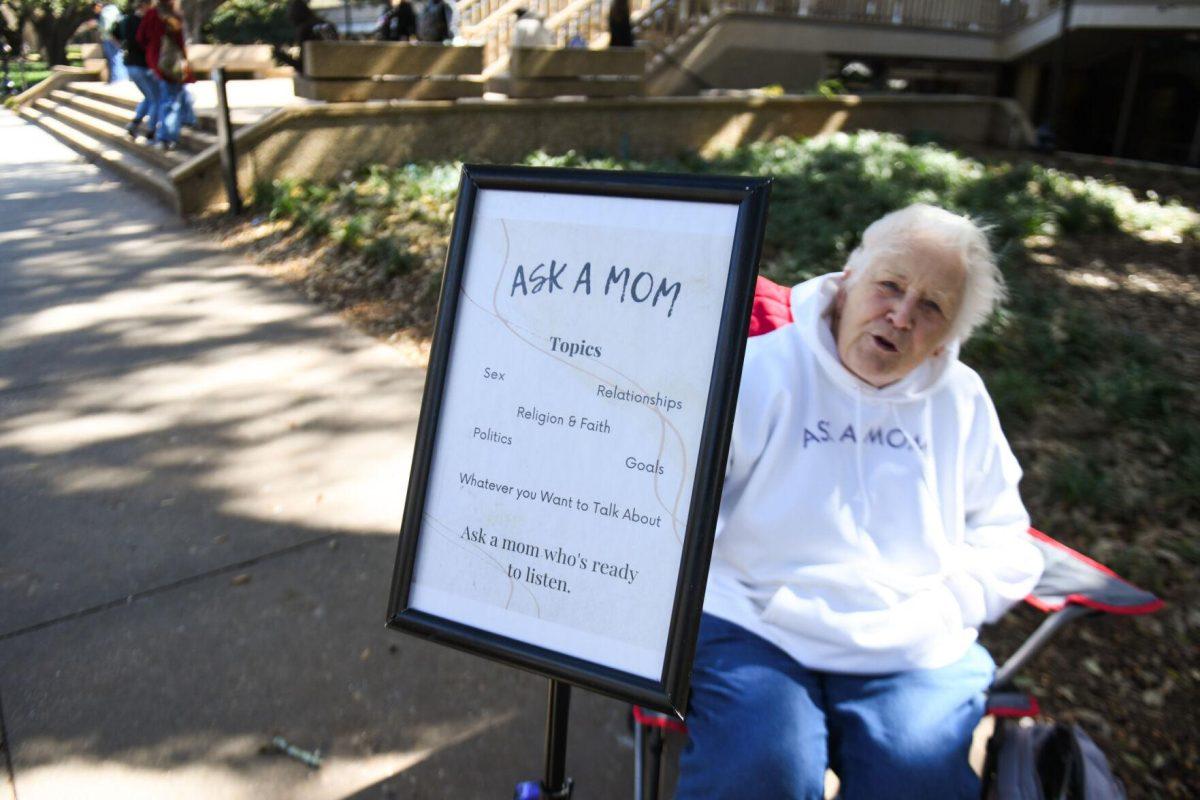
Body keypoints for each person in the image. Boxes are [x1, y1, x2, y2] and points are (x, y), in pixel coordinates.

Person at [676, 204, 1044, 800]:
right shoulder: (764, 369)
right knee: (762, 767)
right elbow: (679, 503)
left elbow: (1003, 535)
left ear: (945, 339)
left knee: (913, 775)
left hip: (909, 636)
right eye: (890, 286)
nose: (900, 316)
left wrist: (949, 608)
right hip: (750, 617)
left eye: (931, 307)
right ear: (847, 283)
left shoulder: (962, 401)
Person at [136, 0, 192, 151]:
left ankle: (163, 131)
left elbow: (140, 37)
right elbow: (180, 43)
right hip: (169, 63)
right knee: (171, 101)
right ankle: (166, 137)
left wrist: (152, 49)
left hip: (154, 61)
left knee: (163, 98)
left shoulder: (151, 14)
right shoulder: (173, 16)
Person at [117, 0, 158, 140]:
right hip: (142, 65)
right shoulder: (141, 21)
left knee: (149, 96)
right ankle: (151, 131)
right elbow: (142, 41)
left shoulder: (127, 20)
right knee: (155, 98)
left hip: (131, 65)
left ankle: (134, 124)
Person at [96, 1, 128, 82]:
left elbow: (107, 29)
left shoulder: (105, 13)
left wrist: (113, 40)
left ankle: (117, 80)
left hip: (110, 39)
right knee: (118, 58)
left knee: (114, 60)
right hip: (117, 38)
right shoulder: (116, 11)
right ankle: (121, 79)